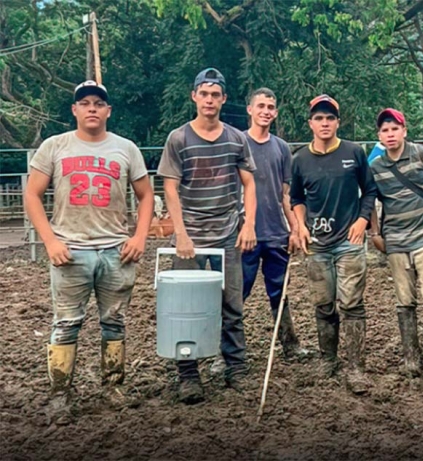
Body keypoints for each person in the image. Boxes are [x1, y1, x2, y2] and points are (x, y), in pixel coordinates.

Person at [24, 80, 154, 422]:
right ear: (75, 110)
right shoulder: (54, 147)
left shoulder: (126, 149)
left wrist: (139, 236)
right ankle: (60, 395)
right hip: (70, 251)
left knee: (115, 321)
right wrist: (50, 240)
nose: (92, 108)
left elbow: (146, 195)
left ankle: (113, 386)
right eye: (85, 103)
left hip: (115, 250)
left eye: (99, 103)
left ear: (108, 110)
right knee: (66, 323)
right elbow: (32, 195)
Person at [157, 68, 257, 403]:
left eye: (216, 95)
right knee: (185, 304)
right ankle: (188, 376)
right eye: (204, 93)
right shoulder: (179, 139)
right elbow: (170, 189)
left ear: (224, 98)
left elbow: (249, 183)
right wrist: (180, 234)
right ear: (194, 96)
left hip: (228, 233)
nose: (210, 100)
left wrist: (249, 224)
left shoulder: (236, 138)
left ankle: (236, 368)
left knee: (233, 304)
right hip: (190, 237)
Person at [290, 95, 377, 394]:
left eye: (330, 118)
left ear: (338, 122)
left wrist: (363, 220)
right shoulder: (300, 159)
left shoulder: (354, 152)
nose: (324, 123)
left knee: (352, 302)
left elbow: (370, 190)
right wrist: (299, 225)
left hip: (349, 239)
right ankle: (328, 359)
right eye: (319, 118)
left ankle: (355, 366)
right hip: (317, 242)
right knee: (323, 303)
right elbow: (296, 199)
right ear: (310, 123)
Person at [368, 108, 423, 378]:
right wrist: (375, 234)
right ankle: (411, 358)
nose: (390, 134)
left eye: (395, 128)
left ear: (404, 131)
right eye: (385, 130)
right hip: (395, 240)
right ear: (379, 136)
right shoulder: (375, 166)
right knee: (404, 300)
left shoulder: (420, 154)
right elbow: (369, 201)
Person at [242, 87, 308, 359]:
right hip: (244, 233)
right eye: (261, 106)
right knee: (236, 293)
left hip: (275, 232)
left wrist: (294, 228)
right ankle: (227, 353)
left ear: (275, 112)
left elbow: (285, 194)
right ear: (250, 109)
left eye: (270, 107)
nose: (266, 111)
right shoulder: (237, 142)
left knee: (279, 291)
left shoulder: (281, 147)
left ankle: (290, 344)